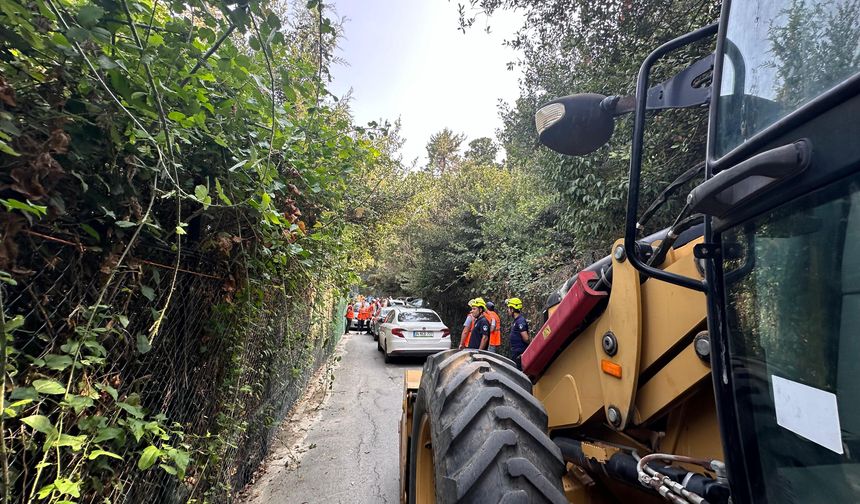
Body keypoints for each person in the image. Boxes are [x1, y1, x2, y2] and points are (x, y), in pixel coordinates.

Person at [505, 297, 530, 369]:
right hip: (515, 351)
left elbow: (526, 338)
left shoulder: (520, 321)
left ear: (512, 309)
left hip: (519, 352)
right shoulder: (516, 321)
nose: (508, 310)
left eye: (509, 308)